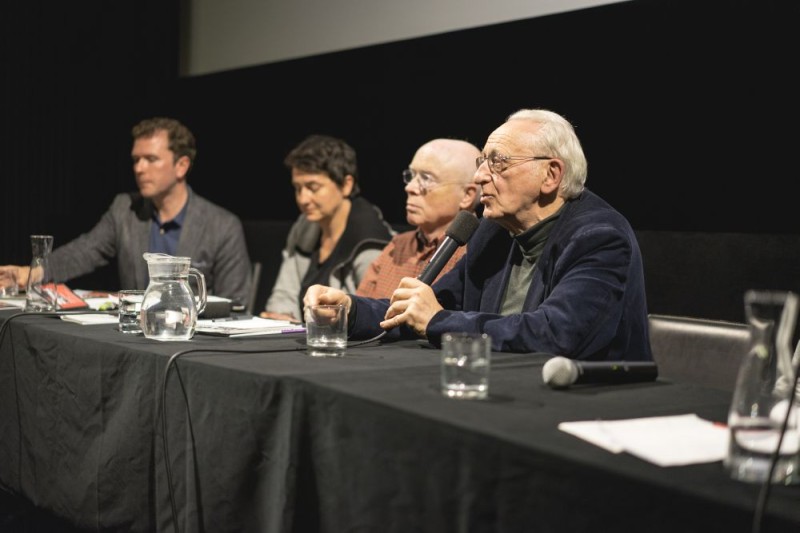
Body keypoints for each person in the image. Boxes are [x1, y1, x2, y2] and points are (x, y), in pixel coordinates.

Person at [304, 108, 652, 360]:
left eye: (498, 163)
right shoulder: (493, 234)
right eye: (481, 162)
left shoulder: (599, 236)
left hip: (590, 408)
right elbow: (426, 307)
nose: (481, 176)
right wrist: (349, 310)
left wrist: (439, 321)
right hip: (501, 389)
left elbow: (559, 334)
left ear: (551, 175)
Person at [1, 117, 252, 305]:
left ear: (181, 166)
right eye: (135, 160)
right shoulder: (125, 209)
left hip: (193, 346)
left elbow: (236, 303)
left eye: (151, 159)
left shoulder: (222, 225)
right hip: (137, 341)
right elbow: (86, 251)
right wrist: (31, 273)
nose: (139, 168)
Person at [261, 134, 394, 322]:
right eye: (298, 188)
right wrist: (283, 318)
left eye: (313, 187)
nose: (302, 199)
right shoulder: (304, 226)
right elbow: (284, 295)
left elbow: (372, 314)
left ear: (346, 185)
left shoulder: (370, 242)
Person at [355, 138, 481, 298]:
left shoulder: (477, 253)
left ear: (466, 195)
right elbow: (361, 312)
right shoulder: (395, 247)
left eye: (426, 178)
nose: (410, 187)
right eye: (412, 175)